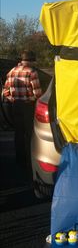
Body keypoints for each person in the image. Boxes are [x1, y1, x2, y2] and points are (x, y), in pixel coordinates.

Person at [3, 50, 42, 179]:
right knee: (29, 133)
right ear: (30, 61)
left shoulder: (11, 71)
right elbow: (37, 93)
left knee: (18, 133)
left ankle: (19, 160)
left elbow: (5, 91)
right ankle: (29, 161)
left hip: (16, 106)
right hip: (28, 106)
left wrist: (12, 99)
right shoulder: (32, 72)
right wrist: (32, 100)